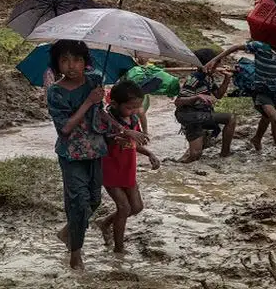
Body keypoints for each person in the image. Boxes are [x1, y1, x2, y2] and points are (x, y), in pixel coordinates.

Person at [46, 40, 147, 270]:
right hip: (71, 154)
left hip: (96, 151)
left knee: (94, 199)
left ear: (85, 63)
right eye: (65, 60)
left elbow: (99, 115)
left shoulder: (93, 81)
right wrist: (88, 101)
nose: (71, 66)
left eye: (77, 60)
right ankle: (76, 254)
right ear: (57, 64)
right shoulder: (55, 92)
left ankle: (67, 232)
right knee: (77, 202)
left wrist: (122, 131)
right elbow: (65, 128)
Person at [97, 80, 159, 254]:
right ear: (114, 103)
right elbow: (107, 139)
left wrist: (149, 154)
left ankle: (105, 222)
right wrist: (119, 136)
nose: (135, 111)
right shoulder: (106, 118)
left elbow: (134, 143)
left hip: (128, 168)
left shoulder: (132, 119)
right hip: (110, 168)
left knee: (137, 207)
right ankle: (119, 248)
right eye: (130, 107)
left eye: (137, 107)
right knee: (124, 208)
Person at [174, 47, 237, 162]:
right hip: (190, 115)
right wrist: (197, 97)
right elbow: (178, 102)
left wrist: (227, 79)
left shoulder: (208, 77)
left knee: (230, 119)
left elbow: (218, 95)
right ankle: (179, 162)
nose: (219, 65)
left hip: (201, 114)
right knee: (195, 155)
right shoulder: (194, 79)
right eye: (216, 62)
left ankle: (225, 153)